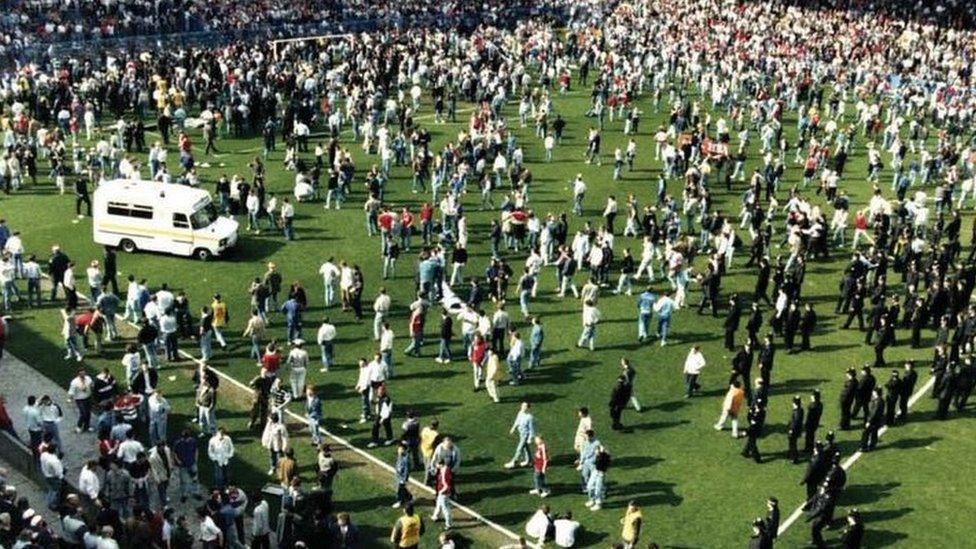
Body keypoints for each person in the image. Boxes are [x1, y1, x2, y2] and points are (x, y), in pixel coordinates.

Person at [505, 402, 535, 469]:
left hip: (525, 435)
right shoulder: (520, 413)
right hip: (521, 433)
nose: (523, 408)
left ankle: (514, 462)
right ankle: (530, 461)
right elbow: (517, 421)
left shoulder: (529, 417)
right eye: (522, 406)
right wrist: (513, 428)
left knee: (519, 448)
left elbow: (531, 429)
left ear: (528, 408)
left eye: (525, 406)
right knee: (526, 448)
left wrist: (530, 438)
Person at [430, 460, 453, 529]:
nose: (436, 466)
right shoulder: (445, 469)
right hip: (444, 492)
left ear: (441, 464)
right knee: (438, 504)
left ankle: (448, 524)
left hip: (444, 493)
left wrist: (441, 492)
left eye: (437, 464)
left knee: (445, 509)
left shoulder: (444, 472)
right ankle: (435, 517)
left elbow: (446, 485)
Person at [787, 396, 805, 464]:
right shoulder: (800, 410)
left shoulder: (797, 412)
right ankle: (791, 454)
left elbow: (795, 422)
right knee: (792, 444)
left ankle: (794, 458)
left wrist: (791, 430)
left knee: (793, 444)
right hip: (797, 430)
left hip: (794, 431)